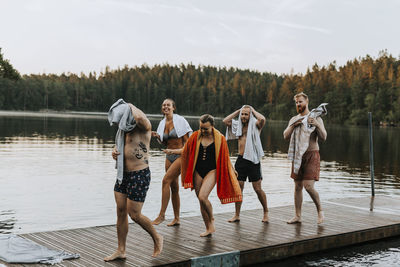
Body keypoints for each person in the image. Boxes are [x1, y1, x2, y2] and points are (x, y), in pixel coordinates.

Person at [105, 99, 163, 261]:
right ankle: (121, 250)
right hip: (123, 176)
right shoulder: (124, 131)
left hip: (139, 174)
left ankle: (157, 237)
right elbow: (121, 147)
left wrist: (129, 105)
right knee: (121, 212)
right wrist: (114, 151)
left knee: (134, 214)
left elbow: (139, 118)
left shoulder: (144, 127)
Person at [181, 114, 242, 237]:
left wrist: (231, 168)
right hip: (197, 170)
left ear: (212, 126)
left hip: (212, 170)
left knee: (203, 197)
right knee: (200, 201)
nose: (203, 131)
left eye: (206, 129)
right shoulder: (195, 137)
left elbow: (225, 156)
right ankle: (208, 228)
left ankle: (212, 218)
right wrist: (172, 151)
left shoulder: (220, 138)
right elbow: (186, 150)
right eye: (201, 128)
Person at [283, 92, 327, 224]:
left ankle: (320, 211)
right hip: (298, 156)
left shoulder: (316, 118)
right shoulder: (294, 119)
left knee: (308, 186)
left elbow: (324, 137)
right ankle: (297, 216)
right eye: (296, 102)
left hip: (312, 154)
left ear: (306, 102)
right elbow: (285, 135)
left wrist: (317, 124)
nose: (298, 104)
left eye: (300, 101)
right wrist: (293, 125)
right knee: (297, 187)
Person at [223, 105, 269, 223]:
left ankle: (266, 212)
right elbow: (225, 121)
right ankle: (237, 215)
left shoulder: (255, 125)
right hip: (241, 159)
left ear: (250, 115)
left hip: (253, 160)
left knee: (257, 189)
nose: (243, 116)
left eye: (246, 114)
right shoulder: (238, 126)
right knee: (238, 188)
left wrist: (253, 110)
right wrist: (239, 110)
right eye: (242, 114)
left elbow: (263, 119)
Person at [151, 99, 192, 226]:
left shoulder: (180, 121)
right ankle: (177, 218)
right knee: (174, 187)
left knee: (165, 181)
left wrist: (177, 152)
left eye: (168, 105)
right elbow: (165, 142)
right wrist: (158, 137)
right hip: (169, 157)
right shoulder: (162, 123)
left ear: (173, 107)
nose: (165, 107)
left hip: (180, 155)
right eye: (163, 105)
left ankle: (161, 215)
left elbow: (188, 143)